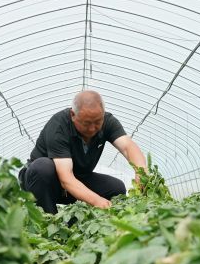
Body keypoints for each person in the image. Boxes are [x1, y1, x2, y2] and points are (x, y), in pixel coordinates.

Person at [19, 91, 147, 214]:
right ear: (72, 115)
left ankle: (81, 224)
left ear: (102, 115)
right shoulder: (59, 125)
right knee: (43, 167)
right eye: (86, 123)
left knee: (116, 188)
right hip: (41, 183)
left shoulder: (108, 121)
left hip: (75, 178)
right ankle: (48, 222)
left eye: (97, 122)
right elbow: (66, 178)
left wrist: (141, 172)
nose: (92, 129)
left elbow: (127, 146)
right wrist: (98, 201)